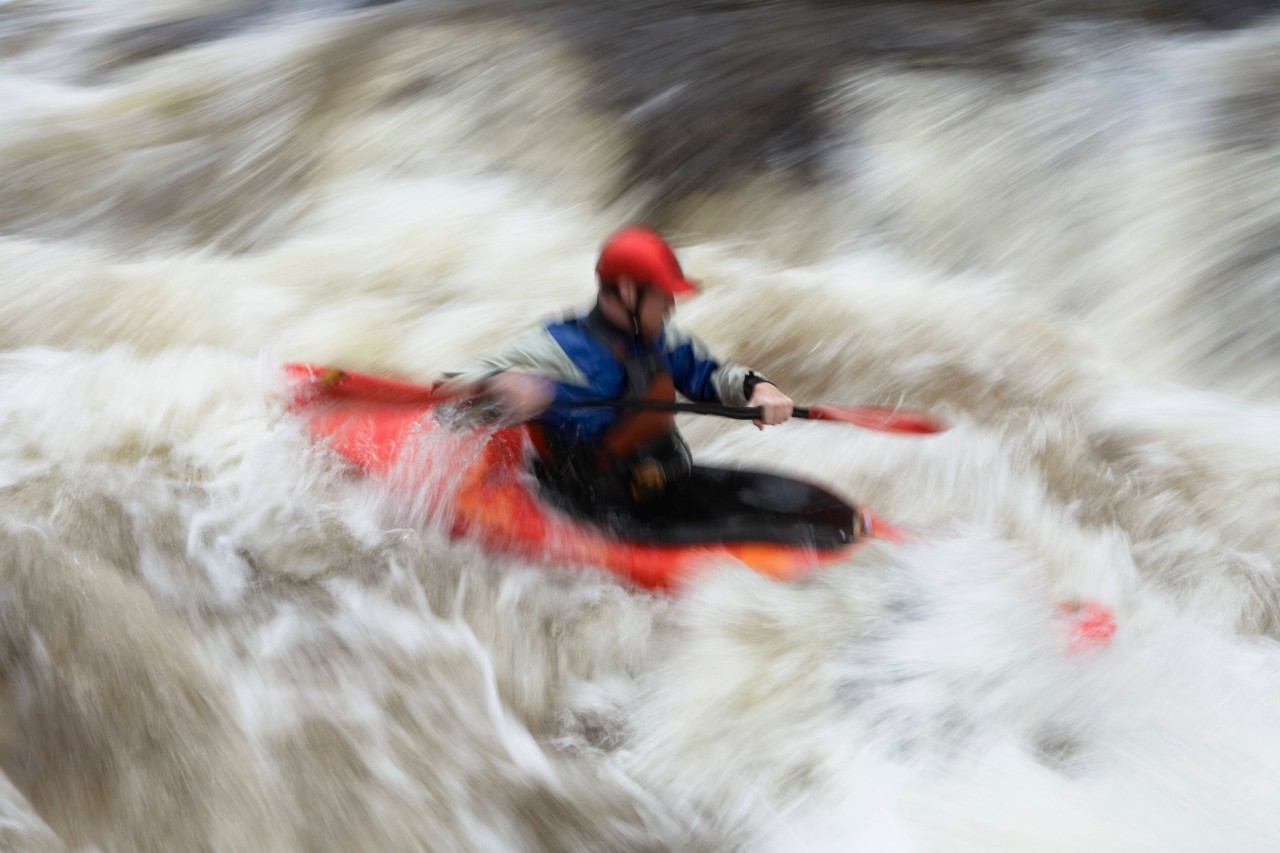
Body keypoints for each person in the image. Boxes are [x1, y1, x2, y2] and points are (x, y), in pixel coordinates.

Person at [445, 226, 854, 544]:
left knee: (805, 514)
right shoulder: (558, 350)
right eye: (663, 295)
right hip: (599, 512)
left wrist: (756, 388)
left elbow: (710, 375)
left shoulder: (662, 339)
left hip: (663, 482)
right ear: (627, 291)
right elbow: (454, 394)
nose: (673, 305)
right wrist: (501, 385)